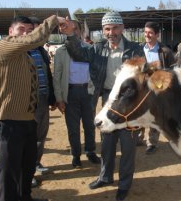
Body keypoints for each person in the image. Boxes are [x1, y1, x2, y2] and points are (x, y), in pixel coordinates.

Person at [59, 11, 144, 201]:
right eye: (107, 28)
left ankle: (124, 184)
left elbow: (142, 79)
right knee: (107, 142)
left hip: (128, 103)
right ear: (103, 30)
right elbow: (77, 53)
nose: (111, 32)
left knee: (128, 145)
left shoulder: (135, 49)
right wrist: (70, 34)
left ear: (122, 28)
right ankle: (105, 177)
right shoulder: (97, 49)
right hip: (107, 100)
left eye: (114, 28)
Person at [0, 15, 65, 201]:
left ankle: (25, 197)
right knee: (9, 174)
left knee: (26, 168)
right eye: (21, 30)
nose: (26, 34)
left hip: (27, 121)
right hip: (8, 122)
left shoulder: (26, 57)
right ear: (10, 32)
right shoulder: (4, 47)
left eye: (29, 30)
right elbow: (36, 38)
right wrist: (54, 20)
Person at [53, 20, 100, 168]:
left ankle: (91, 151)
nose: (74, 33)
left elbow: (96, 72)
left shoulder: (90, 49)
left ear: (80, 32)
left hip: (87, 92)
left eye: (76, 30)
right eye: (70, 29)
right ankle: (76, 155)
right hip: (70, 93)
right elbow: (57, 76)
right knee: (73, 128)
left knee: (89, 125)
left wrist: (94, 93)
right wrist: (59, 98)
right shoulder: (61, 52)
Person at [27, 17, 57, 187]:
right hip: (27, 102)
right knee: (28, 137)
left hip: (43, 99)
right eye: (35, 29)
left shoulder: (41, 51)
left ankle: (36, 163)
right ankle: (27, 172)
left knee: (41, 135)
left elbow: (48, 75)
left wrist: (51, 98)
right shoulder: (21, 50)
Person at [138, 21, 175, 154]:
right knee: (140, 111)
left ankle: (152, 142)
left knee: (155, 113)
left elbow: (172, 70)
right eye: (145, 32)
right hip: (142, 86)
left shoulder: (165, 51)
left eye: (150, 32)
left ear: (157, 35)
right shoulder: (139, 49)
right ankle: (138, 137)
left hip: (158, 86)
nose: (147, 35)